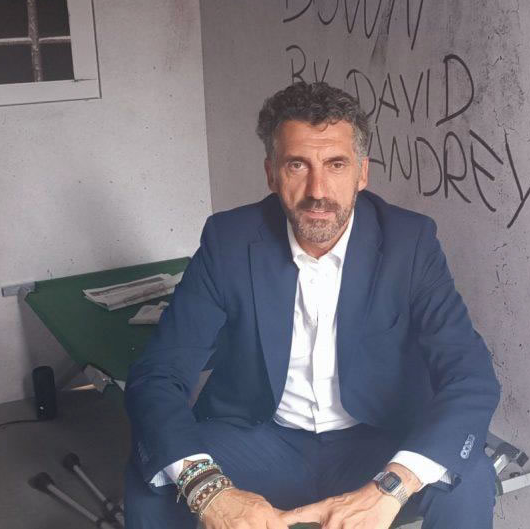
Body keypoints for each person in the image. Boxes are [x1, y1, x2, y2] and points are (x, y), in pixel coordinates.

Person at [123, 82, 501, 529]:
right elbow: (158, 375)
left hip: (374, 442)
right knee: (153, 480)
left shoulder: (410, 242)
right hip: (258, 438)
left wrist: (392, 486)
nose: (317, 190)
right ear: (271, 174)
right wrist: (209, 490)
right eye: (297, 165)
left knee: (469, 477)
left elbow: (470, 377)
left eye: (336, 164)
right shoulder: (229, 241)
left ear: (362, 173)